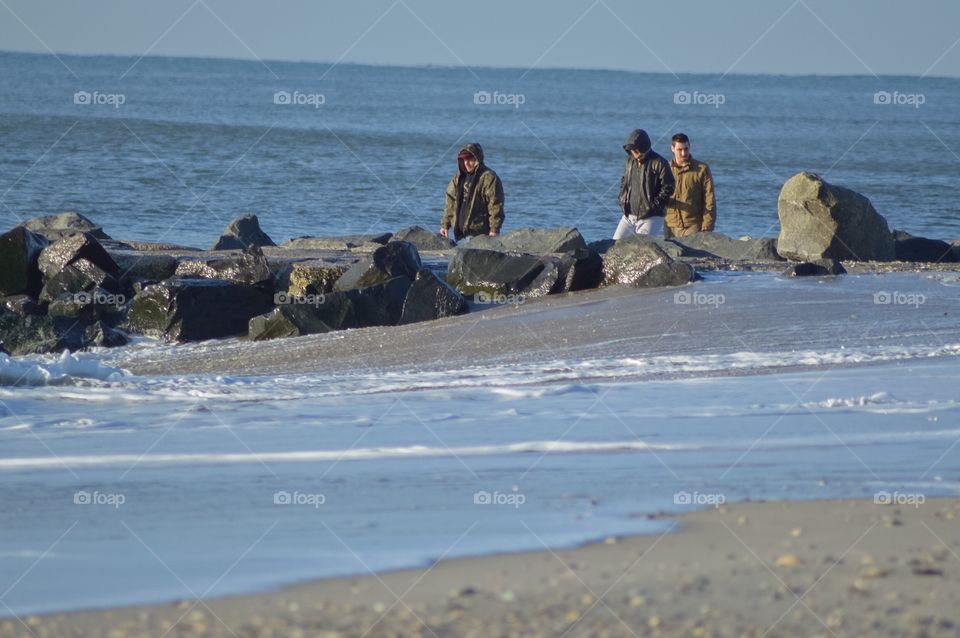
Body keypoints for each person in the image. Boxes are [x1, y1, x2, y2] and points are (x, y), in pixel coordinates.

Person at [615, 129, 674, 239]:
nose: (634, 152)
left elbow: (668, 187)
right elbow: (624, 182)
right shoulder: (629, 161)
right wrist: (622, 201)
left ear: (644, 146)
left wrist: (653, 207)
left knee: (642, 248)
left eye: (636, 149)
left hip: (652, 216)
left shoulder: (659, 162)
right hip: (629, 215)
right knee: (614, 244)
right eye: (631, 149)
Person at [440, 143, 504, 241]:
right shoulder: (458, 178)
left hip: (481, 233)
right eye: (463, 159)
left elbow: (495, 206)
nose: (466, 163)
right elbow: (450, 202)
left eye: (470, 159)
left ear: (478, 159)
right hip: (463, 232)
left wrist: (494, 230)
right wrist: (445, 225)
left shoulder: (489, 177)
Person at [664, 133, 716, 239]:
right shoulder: (665, 169)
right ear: (672, 148)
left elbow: (709, 199)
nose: (684, 153)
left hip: (694, 226)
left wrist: (708, 223)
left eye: (686, 149)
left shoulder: (702, 169)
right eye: (679, 150)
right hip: (670, 225)